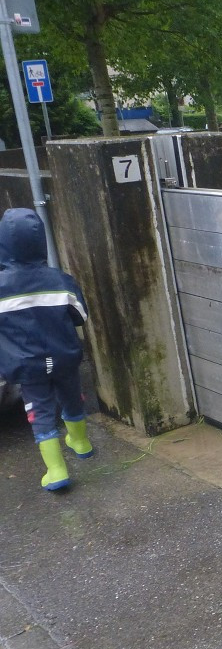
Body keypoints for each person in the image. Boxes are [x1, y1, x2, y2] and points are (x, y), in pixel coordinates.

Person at [0, 208, 93, 491]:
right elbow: (81, 316)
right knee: (72, 398)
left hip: (28, 366)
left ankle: (56, 470)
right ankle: (80, 442)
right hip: (63, 357)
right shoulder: (60, 280)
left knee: (39, 413)